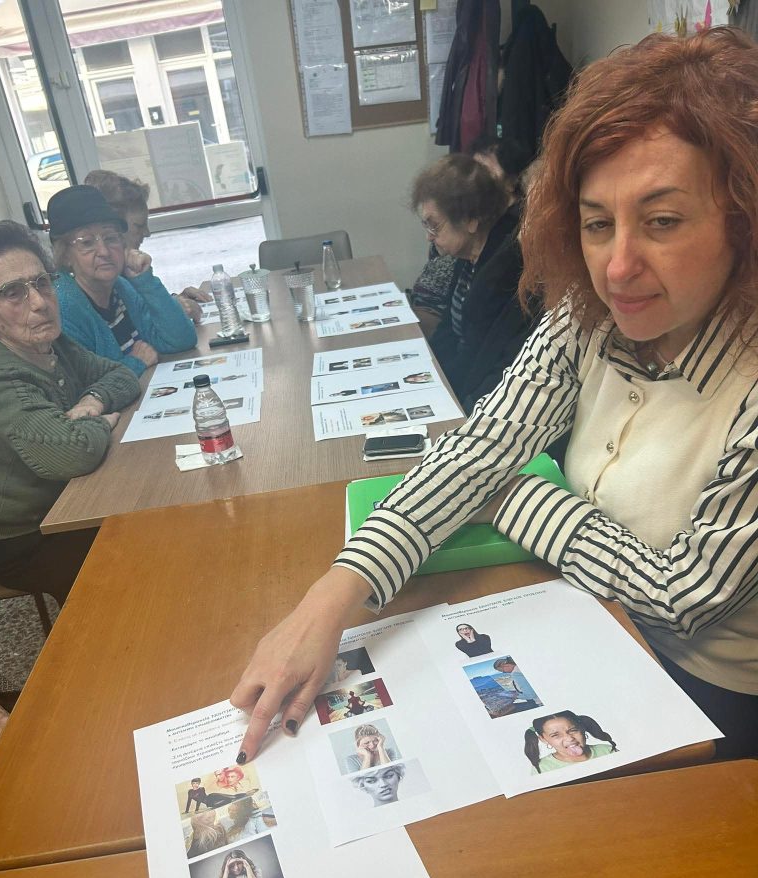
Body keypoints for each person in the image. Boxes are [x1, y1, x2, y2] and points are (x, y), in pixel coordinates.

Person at [232, 27, 758, 764]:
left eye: (662, 221)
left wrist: (511, 494)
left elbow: (681, 597)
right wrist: (329, 598)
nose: (617, 266)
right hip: (588, 609)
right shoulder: (587, 317)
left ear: (744, 220)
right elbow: (483, 445)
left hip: (706, 694)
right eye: (597, 224)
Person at [0, 220, 140, 609]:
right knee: (133, 568)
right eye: (13, 293)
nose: (39, 302)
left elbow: (122, 375)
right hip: (24, 536)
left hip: (73, 500)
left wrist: (91, 401)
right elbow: (71, 453)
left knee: (156, 519)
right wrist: (101, 421)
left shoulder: (52, 343)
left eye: (41, 283)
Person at [409, 154, 532, 409]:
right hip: (459, 387)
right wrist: (426, 376)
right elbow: (449, 330)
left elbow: (478, 362)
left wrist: (440, 398)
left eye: (434, 226)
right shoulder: (468, 258)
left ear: (470, 220)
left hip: (477, 401)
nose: (429, 237)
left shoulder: (501, 273)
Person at [48, 185, 197, 376]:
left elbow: (181, 340)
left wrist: (144, 280)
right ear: (65, 255)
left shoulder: (121, 287)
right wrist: (135, 363)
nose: (104, 251)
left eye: (111, 238)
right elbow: (86, 383)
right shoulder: (62, 307)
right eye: (87, 242)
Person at [84, 169, 211, 323]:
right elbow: (134, 326)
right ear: (114, 229)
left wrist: (175, 300)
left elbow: (142, 308)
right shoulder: (105, 279)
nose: (147, 233)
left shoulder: (127, 269)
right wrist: (172, 308)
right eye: (139, 226)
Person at [524, 711, 618, 774]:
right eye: (555, 735)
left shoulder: (607, 751)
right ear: (543, 739)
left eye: (573, 730)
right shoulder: (543, 768)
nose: (569, 738)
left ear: (582, 729)